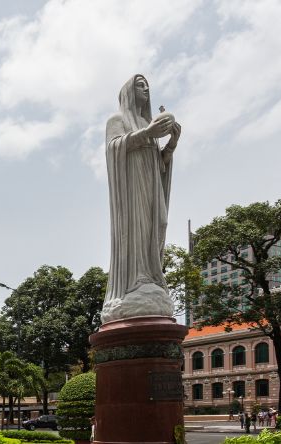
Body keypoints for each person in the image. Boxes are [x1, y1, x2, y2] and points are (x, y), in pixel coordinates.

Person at [101, 74, 181, 323]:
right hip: (131, 191)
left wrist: (170, 144)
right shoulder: (118, 120)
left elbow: (161, 166)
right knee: (136, 230)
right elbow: (113, 149)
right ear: (128, 91)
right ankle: (135, 281)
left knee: (158, 225)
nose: (145, 88)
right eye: (139, 84)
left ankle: (151, 277)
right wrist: (147, 132)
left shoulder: (149, 124)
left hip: (151, 187)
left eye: (147, 84)